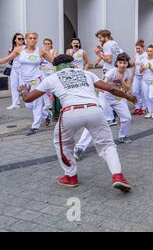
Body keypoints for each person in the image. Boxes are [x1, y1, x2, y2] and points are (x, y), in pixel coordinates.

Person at [19, 54, 135, 191]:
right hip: (94, 110)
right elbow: (111, 89)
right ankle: (118, 176)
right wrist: (128, 97)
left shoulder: (51, 78)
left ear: (56, 67)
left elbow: (28, 99)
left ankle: (71, 176)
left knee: (62, 143)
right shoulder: (87, 74)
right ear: (73, 64)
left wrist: (24, 91)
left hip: (70, 112)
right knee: (107, 144)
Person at [0, 32, 53, 135]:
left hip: (36, 79)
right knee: (28, 104)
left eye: (34, 38)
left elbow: (54, 60)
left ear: (36, 39)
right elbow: (5, 59)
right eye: (30, 38)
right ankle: (46, 115)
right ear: (26, 39)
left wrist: (67, 63)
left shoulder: (40, 51)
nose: (32, 40)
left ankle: (35, 126)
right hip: (24, 80)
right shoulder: (19, 50)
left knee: (37, 102)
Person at [94, 30, 123, 126]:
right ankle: (118, 115)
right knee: (113, 94)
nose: (99, 39)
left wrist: (98, 53)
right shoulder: (114, 43)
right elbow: (114, 56)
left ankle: (110, 118)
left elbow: (109, 59)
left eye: (100, 37)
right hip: (114, 70)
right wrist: (102, 50)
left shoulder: (107, 44)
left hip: (109, 71)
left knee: (103, 95)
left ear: (106, 36)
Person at [4, 33, 25, 110]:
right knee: (13, 86)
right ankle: (15, 103)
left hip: (23, 69)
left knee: (23, 86)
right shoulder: (12, 48)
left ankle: (29, 102)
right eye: (19, 39)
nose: (21, 40)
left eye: (22, 39)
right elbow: (9, 58)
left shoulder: (25, 47)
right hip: (14, 68)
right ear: (15, 40)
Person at [140, 45, 153, 119]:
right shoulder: (143, 60)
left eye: (151, 51)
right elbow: (140, 71)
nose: (149, 52)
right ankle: (149, 112)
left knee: (151, 96)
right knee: (146, 97)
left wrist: (151, 68)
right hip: (144, 80)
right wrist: (142, 68)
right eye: (148, 51)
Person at [41, 38, 59, 111]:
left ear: (51, 44)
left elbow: (53, 60)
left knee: (51, 87)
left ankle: (52, 104)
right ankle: (47, 103)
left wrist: (47, 52)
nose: (47, 45)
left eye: (48, 43)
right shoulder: (41, 51)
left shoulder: (54, 51)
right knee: (44, 87)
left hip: (52, 70)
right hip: (43, 71)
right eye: (45, 43)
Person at [131, 40, 147, 115]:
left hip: (143, 76)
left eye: (139, 48)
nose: (137, 50)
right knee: (134, 91)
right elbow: (134, 65)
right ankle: (137, 107)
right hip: (136, 76)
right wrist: (133, 74)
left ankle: (143, 107)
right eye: (136, 48)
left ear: (142, 48)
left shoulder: (146, 55)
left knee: (143, 92)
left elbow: (147, 66)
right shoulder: (136, 55)